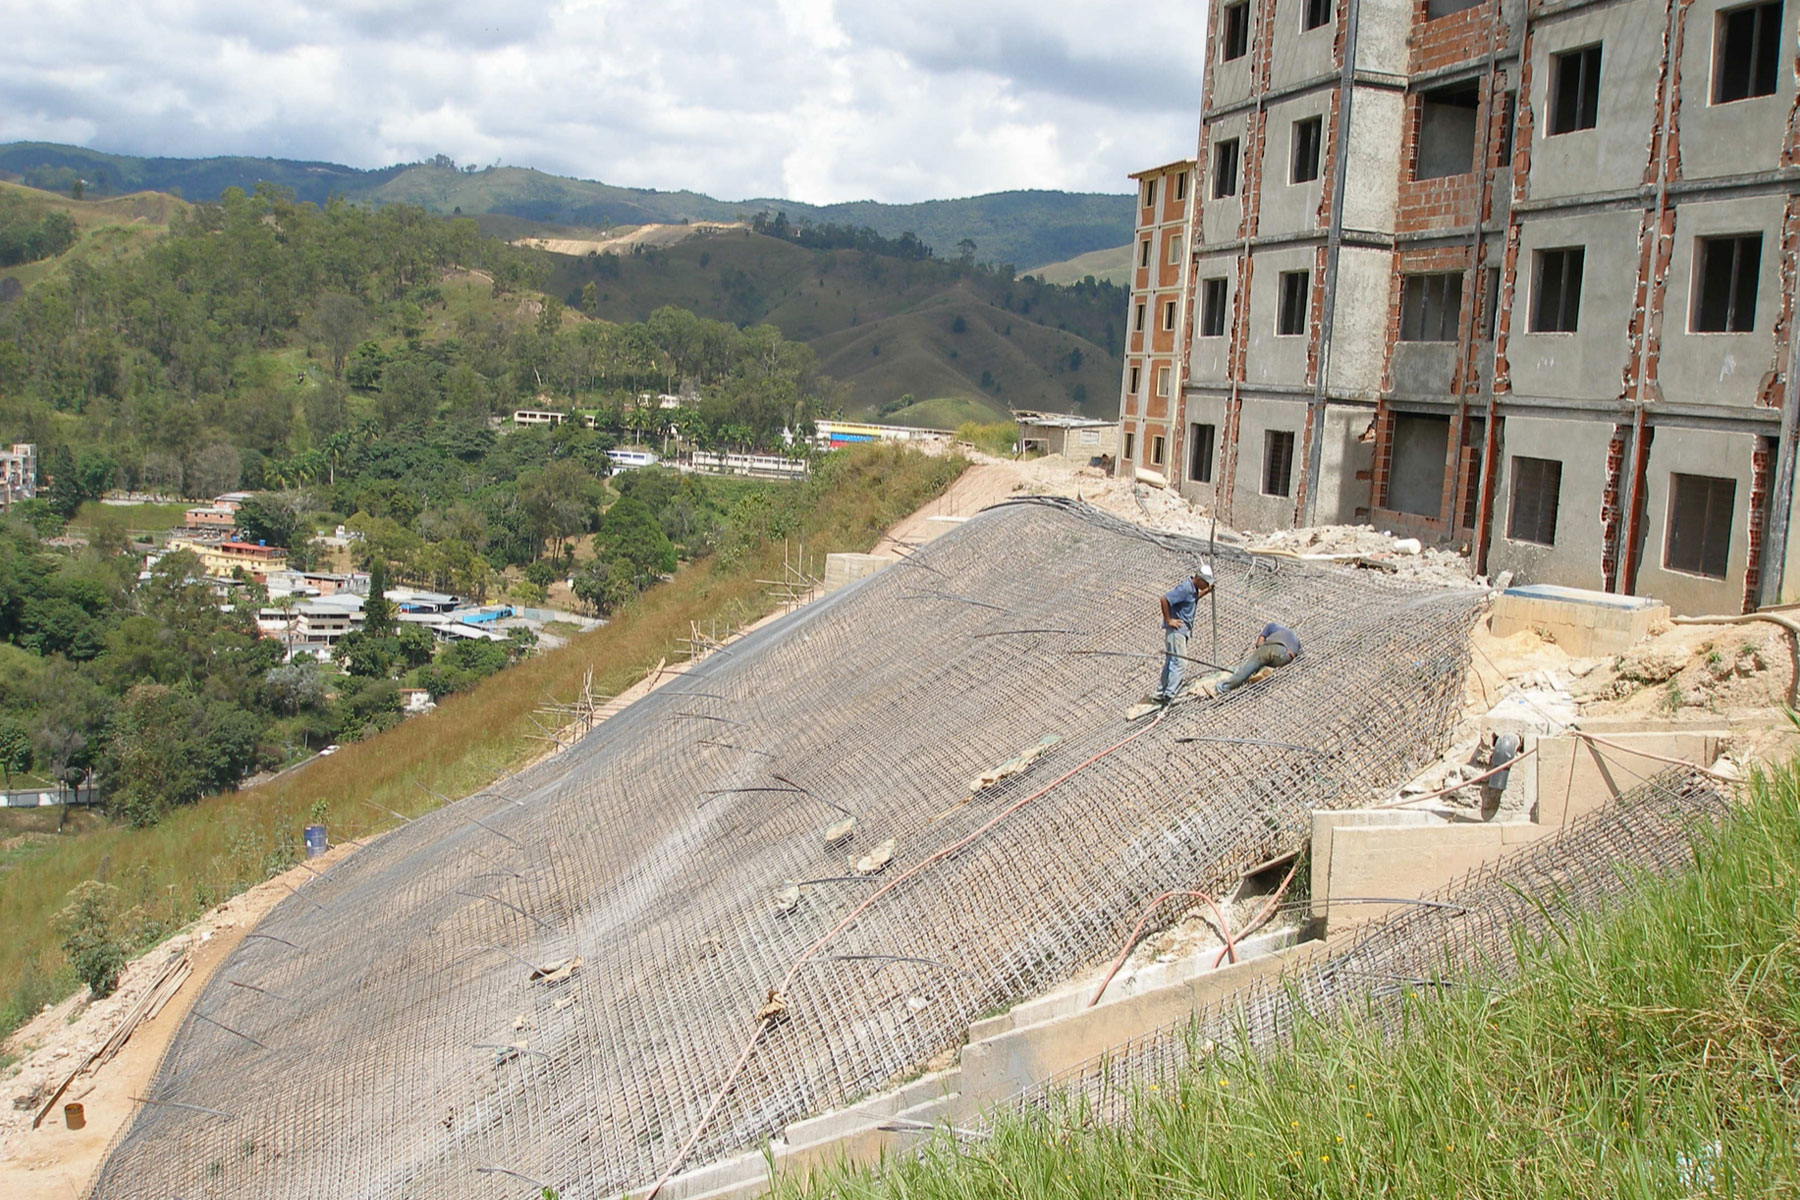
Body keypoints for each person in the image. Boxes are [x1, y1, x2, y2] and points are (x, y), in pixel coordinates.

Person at [1154, 565, 1214, 704]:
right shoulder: (1185, 588)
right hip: (1177, 631)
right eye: (1205, 583)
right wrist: (1168, 620)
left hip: (1181, 631)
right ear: (1199, 579)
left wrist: (1207, 591)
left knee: (1171, 661)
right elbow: (1164, 599)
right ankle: (1170, 694)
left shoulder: (1192, 590)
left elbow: (1192, 600)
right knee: (1180, 662)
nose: (1205, 585)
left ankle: (1160, 692)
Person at [1216, 622, 1301, 697]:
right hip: (1287, 658)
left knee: (1247, 668)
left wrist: (1258, 652)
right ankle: (1259, 672)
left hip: (1276, 647)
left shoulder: (1270, 626)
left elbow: (1259, 643)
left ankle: (1223, 687)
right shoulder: (1294, 638)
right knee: (1264, 663)